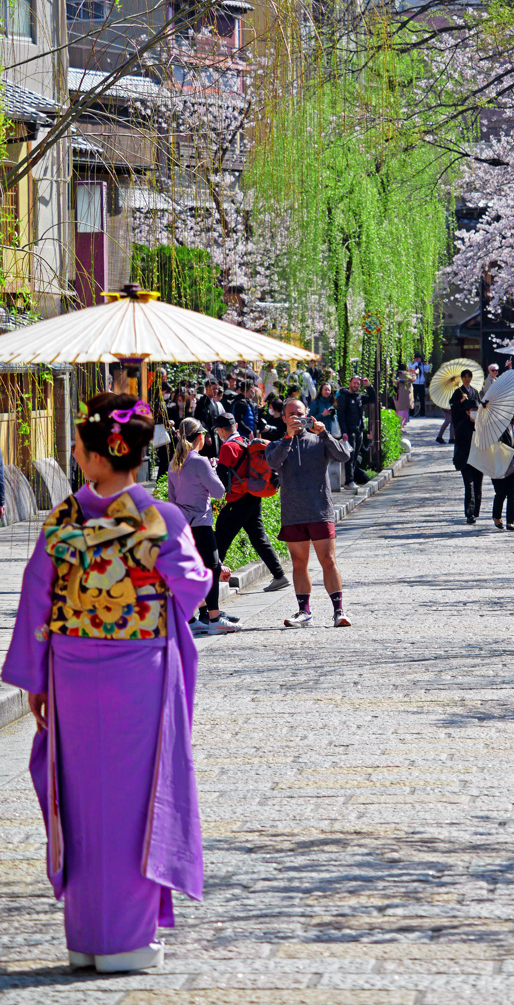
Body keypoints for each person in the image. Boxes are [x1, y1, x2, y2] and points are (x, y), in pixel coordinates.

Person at [1, 393, 211, 973]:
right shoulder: (158, 517)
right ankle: (129, 939)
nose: (74, 455)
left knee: (79, 796)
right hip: (137, 673)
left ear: (96, 458)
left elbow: (36, 602)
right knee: (136, 798)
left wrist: (34, 678)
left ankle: (87, 935)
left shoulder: (63, 521)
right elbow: (192, 588)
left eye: (77, 447)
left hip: (69, 672)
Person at [264, 399, 352, 627]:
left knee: (328, 560)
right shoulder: (276, 444)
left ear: (308, 414)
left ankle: (339, 611)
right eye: (291, 414)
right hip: (293, 514)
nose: (296, 417)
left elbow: (344, 456)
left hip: (320, 510)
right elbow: (273, 463)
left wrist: (325, 434)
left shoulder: (318, 439)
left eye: (300, 413)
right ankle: (304, 612)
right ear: (283, 418)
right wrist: (287, 438)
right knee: (298, 562)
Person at [167, 418, 241, 635]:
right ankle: (215, 617)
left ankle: (192, 619)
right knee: (211, 568)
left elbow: (172, 500)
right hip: (201, 521)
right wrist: (213, 468)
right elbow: (219, 492)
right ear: (200, 437)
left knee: (191, 570)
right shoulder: (200, 462)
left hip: (183, 525)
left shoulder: (174, 464)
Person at [213, 413, 289, 593]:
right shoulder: (245, 442)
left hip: (238, 499)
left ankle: (211, 581)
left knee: (220, 537)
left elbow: (221, 476)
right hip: (253, 496)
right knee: (258, 537)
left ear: (221, 430)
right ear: (236, 427)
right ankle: (279, 576)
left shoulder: (227, 447)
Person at [450, 368, 483, 524]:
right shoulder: (458, 392)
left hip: (478, 457)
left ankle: (475, 511)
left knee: (478, 485)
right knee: (469, 485)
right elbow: (453, 408)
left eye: (470, 377)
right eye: (465, 377)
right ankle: (469, 513)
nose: (468, 379)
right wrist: (461, 402)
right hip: (466, 457)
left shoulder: (475, 392)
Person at [336, 375, 373, 491]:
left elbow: (373, 398)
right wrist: (344, 432)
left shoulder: (359, 397)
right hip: (349, 431)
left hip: (359, 431)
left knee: (355, 457)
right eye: (354, 383)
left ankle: (351, 479)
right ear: (350, 383)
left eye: (358, 383)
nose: (356, 385)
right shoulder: (343, 397)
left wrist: (369, 385)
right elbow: (341, 416)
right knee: (350, 457)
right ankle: (349, 481)